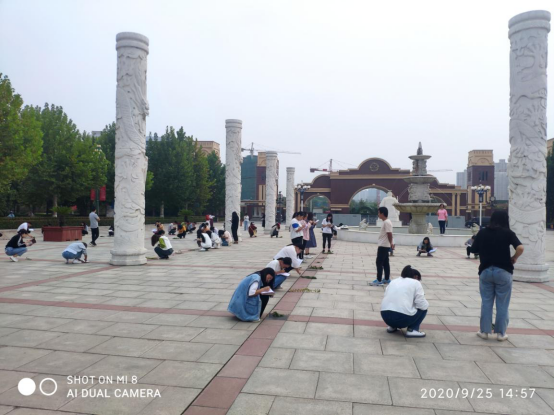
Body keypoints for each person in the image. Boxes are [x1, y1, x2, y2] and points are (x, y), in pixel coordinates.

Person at [471, 211, 524, 342]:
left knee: (486, 302)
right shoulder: (508, 233)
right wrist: (514, 257)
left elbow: (473, 250)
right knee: (502, 304)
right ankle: (501, 333)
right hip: (503, 271)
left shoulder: (483, 232)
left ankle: (484, 331)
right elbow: (520, 248)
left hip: (486, 271)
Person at [381, 265, 429, 338]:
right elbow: (421, 303)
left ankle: (392, 326)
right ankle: (412, 330)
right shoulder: (416, 283)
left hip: (385, 317)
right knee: (424, 308)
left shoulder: (393, 281)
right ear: (416, 277)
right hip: (402, 318)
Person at [371, 207, 394, 286]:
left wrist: (391, 243)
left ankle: (379, 280)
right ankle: (386, 278)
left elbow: (389, 234)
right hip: (384, 245)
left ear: (382, 213)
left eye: (379, 213)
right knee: (385, 262)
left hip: (383, 245)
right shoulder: (386, 222)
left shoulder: (386, 222)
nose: (378, 214)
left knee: (379, 262)